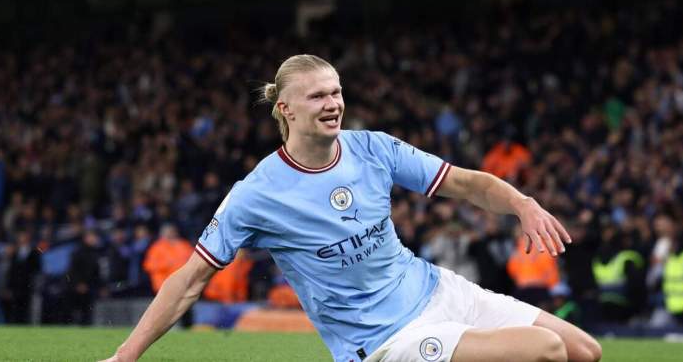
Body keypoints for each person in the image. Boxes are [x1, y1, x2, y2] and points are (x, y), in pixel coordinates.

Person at [101, 54, 601, 362]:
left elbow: (468, 184)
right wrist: (125, 356)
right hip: (385, 340)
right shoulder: (258, 194)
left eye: (336, 92)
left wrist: (522, 204)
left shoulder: (373, 148)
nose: (333, 103)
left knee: (584, 351)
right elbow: (190, 280)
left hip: (438, 290)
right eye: (317, 96)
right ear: (285, 109)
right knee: (545, 352)